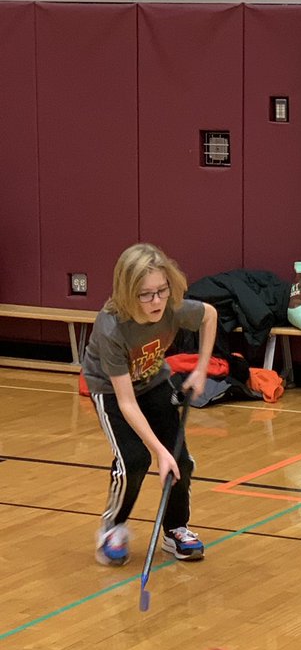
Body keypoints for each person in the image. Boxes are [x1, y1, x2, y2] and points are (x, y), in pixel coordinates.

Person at [81, 242, 217, 566]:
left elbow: (209, 316)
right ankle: (112, 528)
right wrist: (159, 451)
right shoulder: (111, 327)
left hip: (153, 380)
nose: (156, 301)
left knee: (181, 460)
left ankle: (175, 530)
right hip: (113, 392)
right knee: (134, 460)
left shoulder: (172, 309)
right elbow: (127, 403)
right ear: (128, 293)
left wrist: (201, 368)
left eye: (162, 290)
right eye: (146, 294)